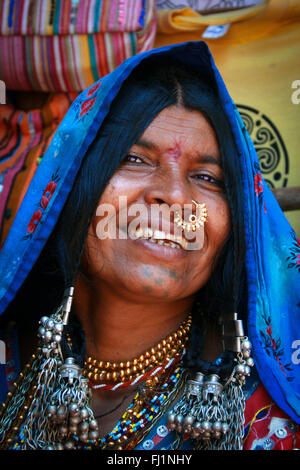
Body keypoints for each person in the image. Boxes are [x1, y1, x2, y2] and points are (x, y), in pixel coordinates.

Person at [0, 41, 299, 451]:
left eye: (209, 178)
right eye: (135, 159)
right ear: (67, 187)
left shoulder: (265, 424)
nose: (175, 196)